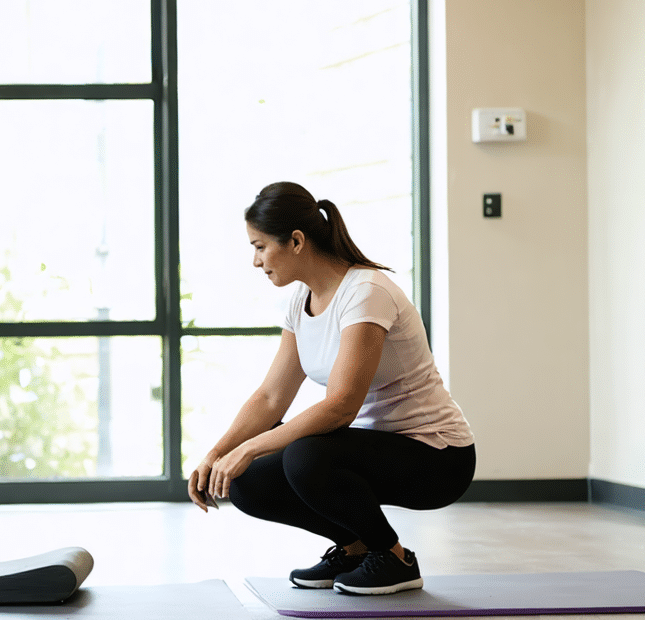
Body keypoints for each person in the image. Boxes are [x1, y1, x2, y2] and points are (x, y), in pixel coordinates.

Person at [188, 181, 476, 595]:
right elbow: (271, 397)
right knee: (244, 479)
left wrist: (251, 446)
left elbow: (342, 406)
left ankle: (393, 558)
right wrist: (218, 455)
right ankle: (356, 547)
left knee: (305, 454)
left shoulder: (365, 292)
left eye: (260, 247)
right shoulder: (299, 301)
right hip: (369, 451)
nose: (255, 261)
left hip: (437, 457)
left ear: (297, 241)